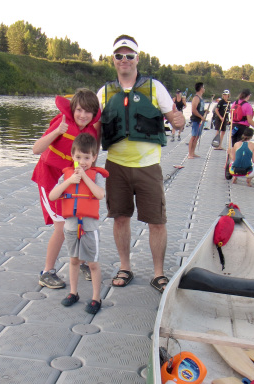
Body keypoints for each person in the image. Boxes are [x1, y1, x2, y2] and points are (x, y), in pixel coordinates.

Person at [97, 35, 185, 293]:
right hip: (116, 166)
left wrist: (179, 121)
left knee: (157, 221)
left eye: (129, 55)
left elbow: (176, 119)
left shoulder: (155, 87)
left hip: (148, 167)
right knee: (120, 218)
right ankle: (125, 267)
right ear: (113, 59)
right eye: (119, 56)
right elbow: (89, 126)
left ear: (138, 58)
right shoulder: (104, 92)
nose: (124, 60)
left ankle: (158, 274)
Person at [31, 89, 102, 290]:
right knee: (61, 226)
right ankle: (47, 272)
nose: (82, 115)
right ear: (73, 110)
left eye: (88, 112)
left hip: (71, 180)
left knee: (78, 220)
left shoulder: (90, 132)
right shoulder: (61, 123)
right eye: (79, 110)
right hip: (49, 179)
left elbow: (90, 158)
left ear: (94, 114)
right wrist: (57, 131)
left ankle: (80, 262)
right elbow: (36, 149)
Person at [47, 133, 108, 313]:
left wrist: (85, 177)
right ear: (73, 155)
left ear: (94, 157)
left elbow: (99, 194)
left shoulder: (96, 176)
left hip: (89, 228)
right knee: (73, 261)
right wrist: (69, 181)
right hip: (71, 226)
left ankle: (96, 297)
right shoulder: (67, 175)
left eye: (87, 158)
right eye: (79, 157)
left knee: (93, 263)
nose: (82, 162)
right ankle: (73, 292)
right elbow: (52, 196)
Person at [187, 82, 208, 160]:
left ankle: (193, 152)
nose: (204, 89)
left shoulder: (201, 98)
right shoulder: (196, 98)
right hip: (196, 120)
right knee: (193, 136)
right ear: (201, 88)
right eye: (203, 87)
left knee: (197, 136)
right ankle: (190, 154)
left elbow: (200, 109)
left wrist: (205, 112)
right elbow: (194, 110)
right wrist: (201, 117)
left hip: (200, 119)